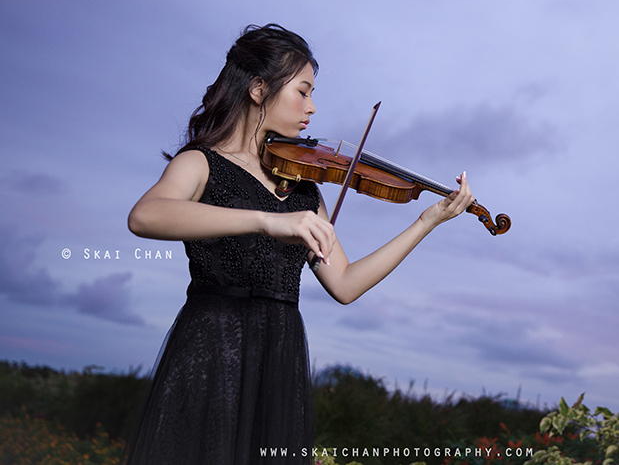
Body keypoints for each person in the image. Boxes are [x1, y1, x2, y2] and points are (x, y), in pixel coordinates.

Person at [124, 24, 473, 464]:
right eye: (303, 91)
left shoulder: (304, 188)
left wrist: (427, 221)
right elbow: (145, 216)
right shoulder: (201, 162)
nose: (312, 107)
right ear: (257, 88)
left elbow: (345, 283)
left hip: (279, 357)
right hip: (214, 349)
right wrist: (269, 221)